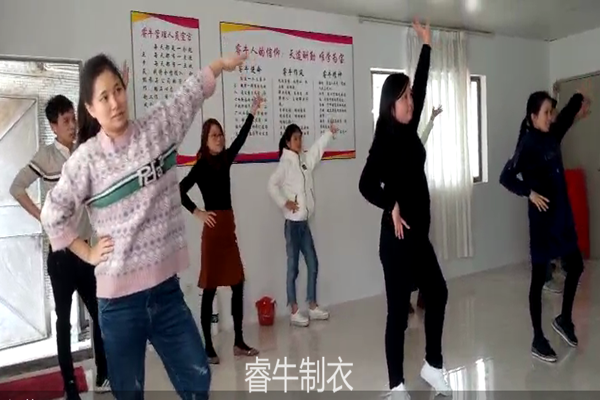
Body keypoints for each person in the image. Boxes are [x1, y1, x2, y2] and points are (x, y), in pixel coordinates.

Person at [40, 52, 246, 399]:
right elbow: (52, 213)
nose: (115, 103)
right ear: (90, 108)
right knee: (129, 393)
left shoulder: (157, 129)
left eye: (118, 90)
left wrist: (219, 66)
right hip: (118, 303)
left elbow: (188, 94)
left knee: (198, 379)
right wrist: (87, 252)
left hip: (166, 293)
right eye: (104, 97)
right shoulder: (86, 160)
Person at [358, 19, 452, 399]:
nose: (411, 102)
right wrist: (391, 203)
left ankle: (433, 365)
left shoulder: (410, 130)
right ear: (390, 105)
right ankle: (396, 385)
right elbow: (365, 184)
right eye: (404, 98)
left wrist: (426, 46)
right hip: (396, 240)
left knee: (438, 293)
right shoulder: (383, 139)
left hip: (418, 238)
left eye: (410, 96)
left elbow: (423, 85)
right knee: (398, 314)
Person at [10, 95, 110, 399]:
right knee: (64, 323)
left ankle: (103, 374)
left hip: (86, 252)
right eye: (65, 120)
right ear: (53, 126)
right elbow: (16, 187)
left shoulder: (83, 151)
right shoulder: (46, 157)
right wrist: (41, 216)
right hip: (61, 256)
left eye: (73, 118)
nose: (72, 125)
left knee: (99, 314)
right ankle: (70, 386)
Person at [500, 89, 590, 363]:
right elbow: (506, 177)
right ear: (533, 117)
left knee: (576, 266)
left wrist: (578, 99)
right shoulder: (527, 144)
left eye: (551, 112)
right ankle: (538, 339)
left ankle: (564, 319)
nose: (551, 117)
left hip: (562, 218)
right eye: (546, 113)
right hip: (542, 223)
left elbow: (565, 118)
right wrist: (529, 192)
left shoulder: (551, 134)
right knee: (539, 279)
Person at [179, 93, 263, 364]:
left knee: (238, 283)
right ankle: (208, 346)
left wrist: (252, 111)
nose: (219, 138)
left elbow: (241, 138)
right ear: (205, 139)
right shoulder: (201, 165)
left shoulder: (225, 159)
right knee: (210, 287)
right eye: (214, 135)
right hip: (213, 233)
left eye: (220, 134)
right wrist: (198, 212)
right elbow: (180, 190)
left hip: (228, 230)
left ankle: (239, 342)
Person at [267, 122, 337, 326]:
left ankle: (312, 306)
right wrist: (285, 202)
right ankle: (294, 310)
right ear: (288, 142)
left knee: (313, 263)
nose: (299, 142)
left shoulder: (304, 160)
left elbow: (316, 150)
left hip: (304, 223)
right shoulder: (285, 163)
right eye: (295, 139)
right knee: (293, 269)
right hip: (292, 225)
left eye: (300, 138)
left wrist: (329, 133)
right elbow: (271, 185)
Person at [412, 105, 443, 313]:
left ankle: (423, 295)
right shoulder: (396, 150)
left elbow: (423, 137)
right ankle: (406, 297)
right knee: (409, 254)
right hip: (408, 210)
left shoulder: (415, 146)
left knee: (421, 251)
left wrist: (431, 119)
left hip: (422, 206)